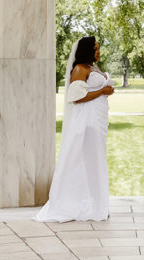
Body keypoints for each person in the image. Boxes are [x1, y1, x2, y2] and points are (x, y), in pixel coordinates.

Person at [36, 35, 114, 223]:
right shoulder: (80, 69)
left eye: (98, 48)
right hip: (87, 120)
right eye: (95, 48)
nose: (98, 52)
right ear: (87, 50)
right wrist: (102, 91)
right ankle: (76, 203)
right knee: (83, 159)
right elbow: (76, 97)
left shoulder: (92, 68)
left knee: (96, 159)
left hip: (98, 120)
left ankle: (96, 203)